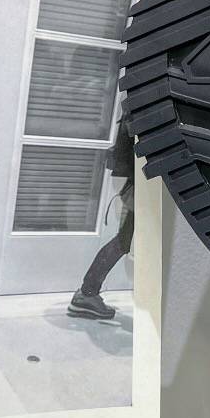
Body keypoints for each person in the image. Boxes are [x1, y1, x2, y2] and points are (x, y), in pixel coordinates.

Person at [69, 116, 135, 320]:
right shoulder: (145, 107)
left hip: (141, 187)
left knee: (124, 242)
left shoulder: (134, 108)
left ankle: (87, 293)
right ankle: (87, 293)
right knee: (123, 242)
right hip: (145, 190)